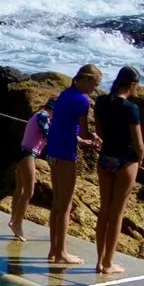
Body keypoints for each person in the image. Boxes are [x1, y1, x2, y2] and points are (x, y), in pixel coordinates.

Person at [41, 65, 102, 268]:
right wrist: (94, 138)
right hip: (66, 155)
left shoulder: (64, 95)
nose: (94, 89)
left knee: (57, 204)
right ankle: (62, 253)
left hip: (52, 151)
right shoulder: (81, 101)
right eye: (94, 84)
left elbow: (65, 127)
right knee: (65, 206)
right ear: (84, 80)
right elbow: (84, 132)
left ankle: (53, 250)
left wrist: (82, 140)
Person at [92, 65, 144, 276]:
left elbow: (99, 131)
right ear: (132, 85)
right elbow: (138, 143)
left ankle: (99, 261)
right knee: (117, 213)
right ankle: (108, 263)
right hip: (126, 161)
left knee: (104, 210)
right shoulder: (131, 108)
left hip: (105, 158)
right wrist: (140, 160)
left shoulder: (102, 102)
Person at [7, 102, 50, 242]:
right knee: (29, 191)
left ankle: (14, 220)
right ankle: (16, 223)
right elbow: (48, 136)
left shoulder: (38, 115)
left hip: (21, 151)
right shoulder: (43, 116)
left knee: (20, 189)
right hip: (28, 154)